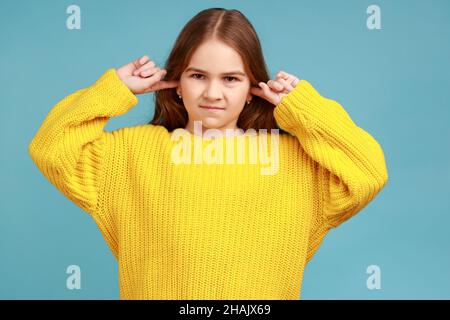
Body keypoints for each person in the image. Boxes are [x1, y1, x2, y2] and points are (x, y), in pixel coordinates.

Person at [28, 8, 389, 300]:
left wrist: (306, 109)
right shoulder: (130, 154)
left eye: (231, 79)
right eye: (198, 75)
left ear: (252, 88)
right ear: (177, 83)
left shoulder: (294, 161)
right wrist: (115, 89)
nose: (213, 93)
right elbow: (51, 146)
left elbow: (368, 171)